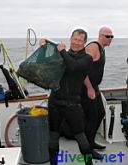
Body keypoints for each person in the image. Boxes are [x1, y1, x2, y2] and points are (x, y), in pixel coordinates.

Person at [40, 29, 96, 165]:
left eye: (80, 40)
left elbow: (73, 67)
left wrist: (62, 51)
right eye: (74, 39)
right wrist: (43, 48)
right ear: (70, 39)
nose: (76, 43)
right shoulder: (62, 54)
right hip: (55, 102)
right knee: (53, 137)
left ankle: (89, 163)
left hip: (72, 105)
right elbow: (46, 65)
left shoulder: (87, 59)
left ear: (84, 43)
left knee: (81, 138)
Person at [81, 26, 114, 150]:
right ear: (100, 36)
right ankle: (87, 145)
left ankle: (90, 141)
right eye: (107, 36)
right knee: (92, 116)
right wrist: (89, 88)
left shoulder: (102, 49)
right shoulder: (93, 47)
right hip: (85, 87)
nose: (110, 39)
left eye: (111, 36)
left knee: (100, 112)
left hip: (94, 86)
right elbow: (82, 70)